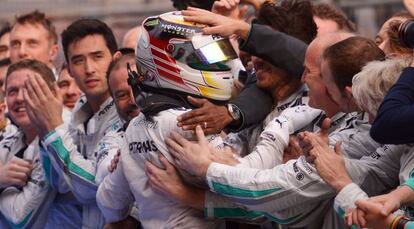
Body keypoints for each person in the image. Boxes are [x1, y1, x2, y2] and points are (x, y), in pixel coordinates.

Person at [156, 37, 392, 229]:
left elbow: (277, 194)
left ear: (346, 93)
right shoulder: (310, 114)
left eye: (308, 72)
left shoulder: (366, 133)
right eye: (250, 60)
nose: (303, 79)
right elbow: (288, 208)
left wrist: (208, 171)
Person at [97, 11, 241, 228]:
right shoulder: (190, 122)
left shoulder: (133, 129)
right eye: (202, 58)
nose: (215, 64)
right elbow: (250, 197)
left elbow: (109, 204)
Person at [24, 18, 122, 228]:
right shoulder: (79, 110)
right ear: (67, 68)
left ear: (116, 58)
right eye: (78, 60)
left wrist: (52, 129)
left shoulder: (127, 110)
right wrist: (43, 129)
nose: (89, 68)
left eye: (97, 57)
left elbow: (95, 187)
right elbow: (60, 184)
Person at [305, 58, 413, 229]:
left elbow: (370, 220)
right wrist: (333, 162)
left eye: (371, 112)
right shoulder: (405, 144)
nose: (370, 122)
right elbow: (375, 170)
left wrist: (342, 182)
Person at [0, 59, 58, 229]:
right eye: (12, 91)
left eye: (28, 89)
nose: (19, 98)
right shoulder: (12, 139)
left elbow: (21, 218)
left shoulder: (57, 138)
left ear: (51, 92)